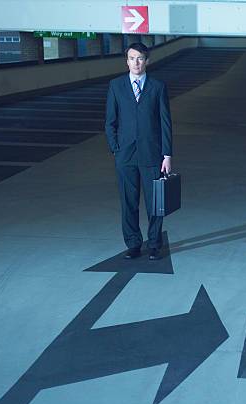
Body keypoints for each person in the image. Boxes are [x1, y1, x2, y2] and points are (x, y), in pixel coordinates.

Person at [105, 42, 172, 260]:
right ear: (127, 61)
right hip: (125, 156)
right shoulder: (116, 86)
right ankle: (133, 244)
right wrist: (115, 148)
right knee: (128, 202)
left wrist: (167, 155)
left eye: (140, 58)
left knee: (155, 203)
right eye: (132, 58)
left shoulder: (157, 87)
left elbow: (165, 123)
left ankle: (154, 244)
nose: (136, 62)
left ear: (147, 61)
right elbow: (110, 122)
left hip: (152, 155)